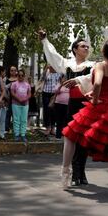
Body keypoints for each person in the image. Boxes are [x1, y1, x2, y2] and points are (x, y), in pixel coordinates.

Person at [61, 38, 108, 197]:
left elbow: (97, 83)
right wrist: (96, 94)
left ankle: (65, 177)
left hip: (99, 106)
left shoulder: (100, 65)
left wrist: (94, 99)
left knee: (70, 135)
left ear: (103, 50)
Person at [39, 29, 94, 186]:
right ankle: (69, 171)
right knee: (71, 138)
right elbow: (54, 55)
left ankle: (80, 171)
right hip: (72, 105)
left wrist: (77, 80)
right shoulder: (67, 64)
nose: (86, 48)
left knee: (84, 140)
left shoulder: (92, 65)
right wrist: (45, 40)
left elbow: (94, 77)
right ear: (75, 49)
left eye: (87, 47)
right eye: (83, 46)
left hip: (86, 105)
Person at [10, 69, 31, 143]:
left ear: (24, 76)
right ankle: (16, 134)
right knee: (16, 120)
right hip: (16, 104)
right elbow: (12, 93)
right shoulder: (14, 84)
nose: (20, 76)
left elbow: (29, 94)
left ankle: (23, 134)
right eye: (19, 75)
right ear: (17, 75)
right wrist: (18, 99)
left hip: (25, 104)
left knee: (24, 120)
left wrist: (25, 99)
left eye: (22, 75)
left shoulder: (27, 85)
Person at [41, 65, 61, 136]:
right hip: (46, 93)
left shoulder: (59, 72)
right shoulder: (47, 71)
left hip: (55, 94)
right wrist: (46, 68)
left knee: (54, 111)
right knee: (47, 111)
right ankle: (48, 128)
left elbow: (62, 81)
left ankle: (53, 128)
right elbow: (42, 78)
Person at [53, 74, 69, 139]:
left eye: (66, 78)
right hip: (58, 104)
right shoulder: (58, 85)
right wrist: (61, 85)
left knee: (66, 120)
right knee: (59, 120)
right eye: (64, 78)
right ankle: (58, 136)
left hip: (67, 105)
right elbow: (56, 92)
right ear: (61, 79)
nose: (65, 79)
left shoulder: (69, 85)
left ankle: (64, 135)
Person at [5, 65, 18, 133]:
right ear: (9, 71)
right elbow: (5, 90)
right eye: (11, 70)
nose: (13, 72)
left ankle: (16, 129)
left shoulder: (18, 79)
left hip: (17, 100)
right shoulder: (7, 80)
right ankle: (6, 129)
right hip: (9, 99)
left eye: (14, 70)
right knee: (8, 114)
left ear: (16, 71)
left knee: (16, 115)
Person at [0, 66, 8, 139]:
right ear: (1, 72)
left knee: (2, 117)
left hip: (3, 100)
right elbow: (1, 90)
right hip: (0, 100)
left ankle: (1, 132)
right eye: (4, 72)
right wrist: (6, 98)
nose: (5, 73)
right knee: (0, 118)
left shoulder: (3, 79)